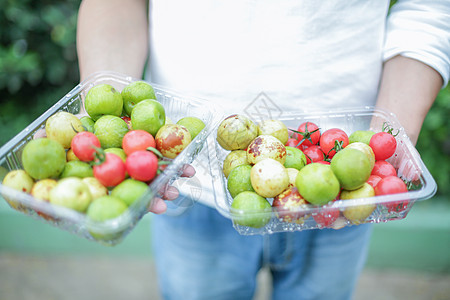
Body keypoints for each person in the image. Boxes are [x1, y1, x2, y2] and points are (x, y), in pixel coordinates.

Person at [76, 0, 450, 299]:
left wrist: (390, 139)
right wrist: (101, 118)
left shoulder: (353, 172)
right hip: (189, 182)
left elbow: (431, 6)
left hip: (343, 191)